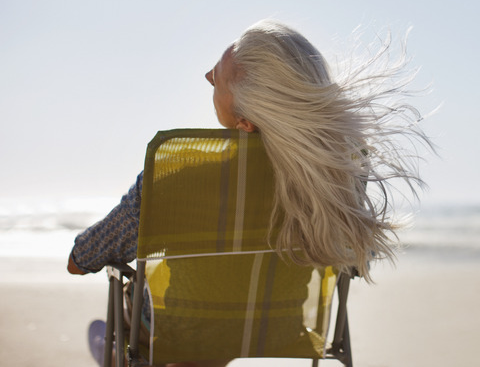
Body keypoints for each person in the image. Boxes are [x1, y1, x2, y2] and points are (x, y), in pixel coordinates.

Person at [67, 19, 433, 366]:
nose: (207, 76)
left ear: (245, 121)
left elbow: (83, 258)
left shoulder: (178, 176)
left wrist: (81, 258)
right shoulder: (334, 181)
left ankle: (116, 357)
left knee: (158, 320)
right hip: (277, 328)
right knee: (219, 323)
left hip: (174, 330)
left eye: (219, 78)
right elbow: (355, 262)